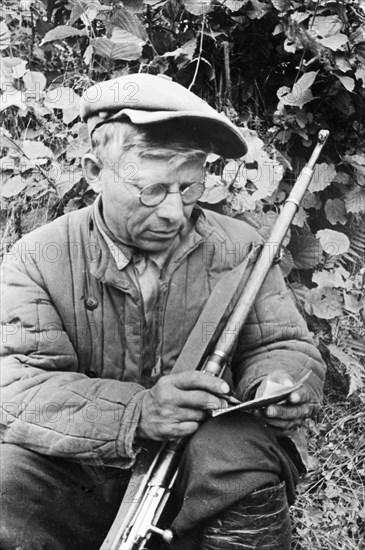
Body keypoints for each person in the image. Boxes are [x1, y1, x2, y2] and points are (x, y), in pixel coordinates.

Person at [0, 74, 326, 550]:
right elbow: (17, 386)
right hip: (84, 470)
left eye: (190, 188)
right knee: (8, 482)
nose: (174, 212)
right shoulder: (38, 258)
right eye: (151, 190)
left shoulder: (238, 248)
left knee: (237, 455)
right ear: (94, 171)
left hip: (199, 471)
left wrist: (278, 382)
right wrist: (137, 413)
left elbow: (280, 345)